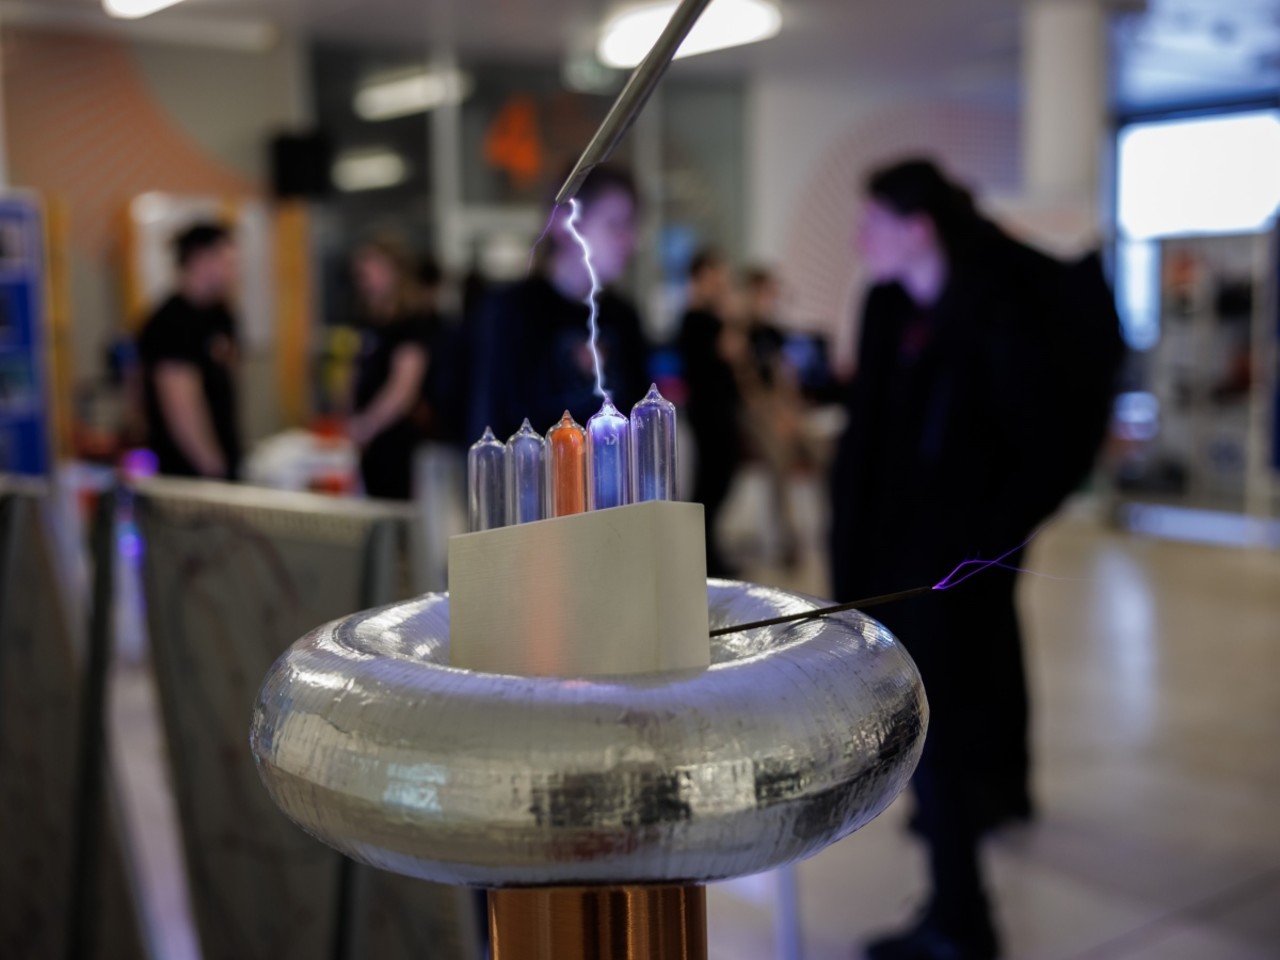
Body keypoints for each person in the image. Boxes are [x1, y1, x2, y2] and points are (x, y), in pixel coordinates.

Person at [830, 158, 1080, 960]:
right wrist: (849, 568)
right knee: (934, 726)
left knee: (942, 726)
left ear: (918, 228)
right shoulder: (886, 306)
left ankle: (961, 918)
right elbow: (867, 444)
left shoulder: (994, 308)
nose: (861, 239)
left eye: (874, 223)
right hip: (901, 557)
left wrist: (990, 542)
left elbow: (1039, 443)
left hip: (960, 560)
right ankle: (958, 887)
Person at [469, 165, 650, 441]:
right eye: (615, 224)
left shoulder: (624, 317)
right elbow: (488, 422)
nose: (630, 241)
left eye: (631, 226)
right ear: (566, 222)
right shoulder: (511, 312)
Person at [137, 222, 242, 480]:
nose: (233, 271)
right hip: (186, 472)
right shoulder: (171, 322)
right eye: (227, 262)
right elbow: (181, 408)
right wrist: (212, 468)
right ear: (200, 259)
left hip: (226, 454)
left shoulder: (222, 315)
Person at [678, 248, 747, 578]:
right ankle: (701, 555)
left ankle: (706, 552)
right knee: (711, 482)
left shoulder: (706, 318)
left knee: (718, 479)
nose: (720, 283)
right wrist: (730, 313)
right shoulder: (696, 319)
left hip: (719, 408)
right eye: (714, 275)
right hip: (708, 411)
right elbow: (732, 349)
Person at [348, 238, 432, 500]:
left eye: (373, 271)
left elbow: (403, 389)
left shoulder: (411, 323)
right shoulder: (369, 321)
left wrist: (366, 426)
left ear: (394, 271)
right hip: (368, 441)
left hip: (396, 440)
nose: (367, 281)